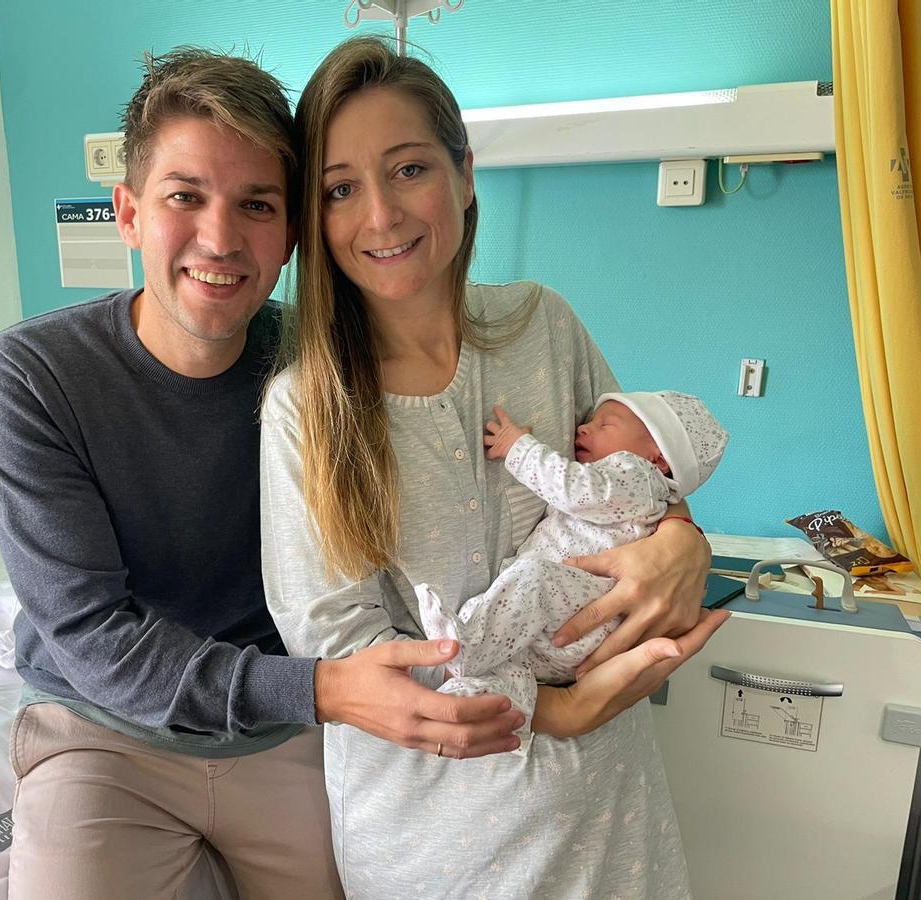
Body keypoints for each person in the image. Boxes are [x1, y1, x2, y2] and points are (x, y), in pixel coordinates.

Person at [0, 47, 525, 900]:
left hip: (286, 736)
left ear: (293, 233)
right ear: (127, 213)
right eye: (184, 197)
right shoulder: (34, 376)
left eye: (257, 205)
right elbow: (89, 637)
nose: (221, 239)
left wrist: (666, 533)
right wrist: (322, 690)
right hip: (106, 736)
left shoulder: (322, 368)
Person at [259, 36, 730, 898]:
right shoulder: (305, 411)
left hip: (608, 814)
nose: (381, 216)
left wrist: (685, 542)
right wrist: (563, 709)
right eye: (339, 189)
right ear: (313, 218)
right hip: (438, 838)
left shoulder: (542, 326)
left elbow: (639, 488)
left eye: (408, 170)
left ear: (465, 175)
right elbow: (343, 654)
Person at [417, 392, 730, 749]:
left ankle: (463, 650)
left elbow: (577, 490)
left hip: (580, 612)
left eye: (605, 424)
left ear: (657, 457)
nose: (583, 428)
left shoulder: (636, 475)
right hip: (573, 636)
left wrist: (519, 447)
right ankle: (477, 697)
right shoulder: (646, 492)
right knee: (510, 656)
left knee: (533, 579)